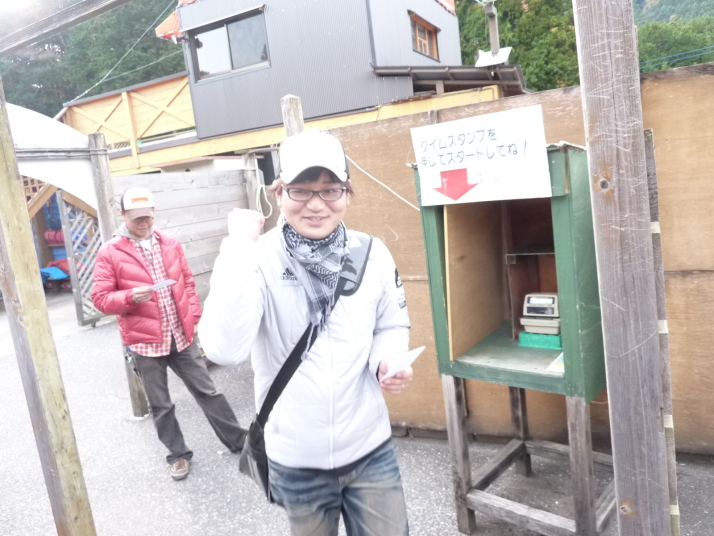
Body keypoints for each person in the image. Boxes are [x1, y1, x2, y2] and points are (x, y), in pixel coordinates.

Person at [200, 129, 414, 535]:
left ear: (347, 194)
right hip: (296, 461)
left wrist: (386, 359)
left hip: (370, 449)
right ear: (279, 192)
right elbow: (223, 349)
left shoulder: (371, 253)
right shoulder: (257, 257)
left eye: (330, 190)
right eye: (301, 190)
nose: (316, 204)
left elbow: (390, 324)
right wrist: (238, 247)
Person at [91, 187, 247, 481]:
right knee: (161, 404)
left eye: (148, 217)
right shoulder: (110, 252)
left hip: (181, 336)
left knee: (208, 392)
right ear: (123, 215)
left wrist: (195, 318)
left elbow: (187, 283)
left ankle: (240, 442)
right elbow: (100, 299)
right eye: (136, 218)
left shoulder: (170, 243)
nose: (143, 223)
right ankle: (177, 455)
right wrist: (129, 298)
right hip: (145, 344)